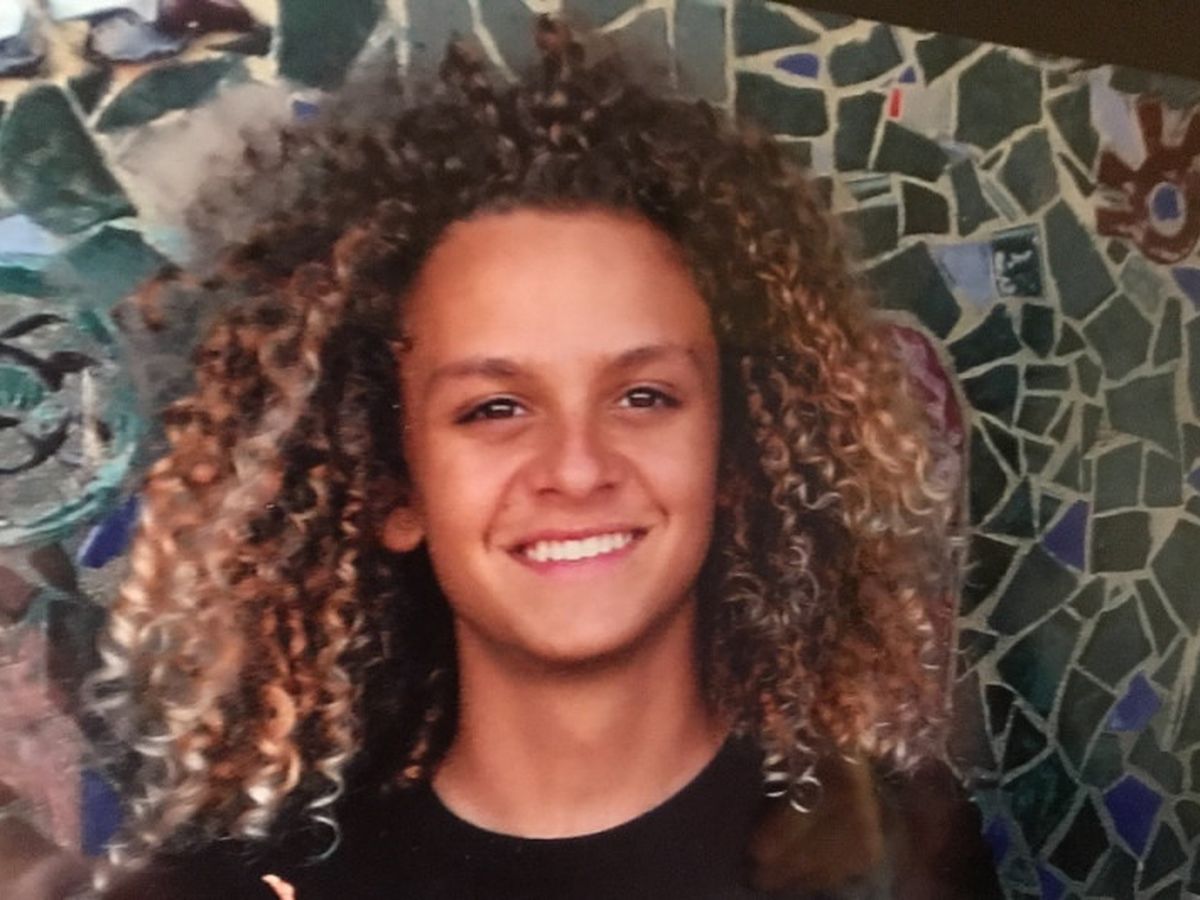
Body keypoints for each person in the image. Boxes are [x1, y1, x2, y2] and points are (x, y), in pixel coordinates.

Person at [90, 18, 1000, 900]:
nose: (577, 466)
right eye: (495, 408)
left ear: (737, 454)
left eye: (644, 396)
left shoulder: (901, 852)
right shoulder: (226, 891)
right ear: (393, 483)